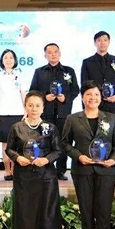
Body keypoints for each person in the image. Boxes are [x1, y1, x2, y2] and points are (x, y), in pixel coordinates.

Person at [62, 81, 115, 229]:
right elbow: (65, 143)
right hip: (82, 171)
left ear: (101, 97)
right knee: (86, 212)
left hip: (106, 171)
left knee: (104, 212)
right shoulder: (73, 119)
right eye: (88, 94)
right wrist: (78, 156)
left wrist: (113, 159)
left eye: (96, 94)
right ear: (82, 97)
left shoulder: (111, 118)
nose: (93, 97)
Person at [6, 91, 63, 229]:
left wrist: (46, 159)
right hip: (24, 176)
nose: (34, 109)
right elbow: (9, 149)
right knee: (25, 212)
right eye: (30, 105)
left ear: (43, 108)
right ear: (25, 106)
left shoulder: (50, 128)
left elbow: (58, 150)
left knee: (47, 213)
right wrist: (18, 158)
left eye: (37, 105)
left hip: (46, 177)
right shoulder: (16, 127)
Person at [80, 31, 115, 182]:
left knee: (112, 135)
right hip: (94, 105)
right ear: (95, 43)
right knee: (94, 134)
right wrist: (87, 104)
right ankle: (93, 165)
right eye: (99, 40)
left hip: (113, 104)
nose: (102, 43)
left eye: (105, 40)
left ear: (109, 42)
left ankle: (113, 167)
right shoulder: (87, 62)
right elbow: (84, 84)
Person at [29, 43, 79, 181]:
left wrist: (66, 97)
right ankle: (45, 167)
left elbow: (75, 90)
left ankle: (60, 170)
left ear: (60, 53)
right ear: (45, 55)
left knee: (63, 142)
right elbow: (33, 90)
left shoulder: (69, 71)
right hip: (46, 112)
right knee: (45, 141)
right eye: (49, 52)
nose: (53, 54)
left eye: (55, 52)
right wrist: (44, 96)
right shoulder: (39, 72)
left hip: (64, 113)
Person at [0, 49, 27, 181]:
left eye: (11, 57)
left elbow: (23, 94)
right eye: (5, 57)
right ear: (2, 60)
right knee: (5, 145)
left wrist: (26, 111)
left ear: (15, 60)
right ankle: (7, 171)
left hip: (18, 113)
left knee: (18, 144)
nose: (8, 60)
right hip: (2, 113)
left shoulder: (20, 75)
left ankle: (16, 171)